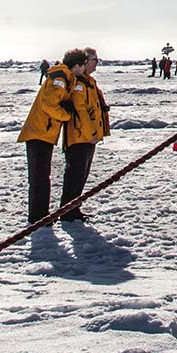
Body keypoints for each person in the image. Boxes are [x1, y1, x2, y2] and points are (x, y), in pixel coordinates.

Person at [17, 47, 109, 224]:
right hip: (40, 131)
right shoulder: (61, 77)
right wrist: (67, 115)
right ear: (79, 64)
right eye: (87, 63)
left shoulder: (69, 78)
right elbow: (50, 104)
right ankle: (38, 217)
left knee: (43, 177)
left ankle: (42, 216)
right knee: (40, 177)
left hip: (46, 132)